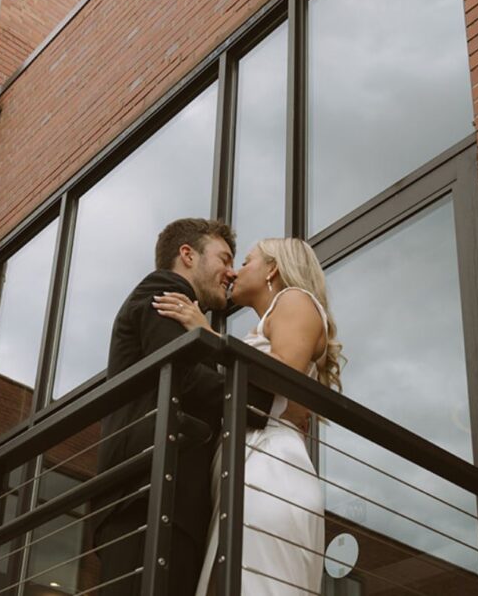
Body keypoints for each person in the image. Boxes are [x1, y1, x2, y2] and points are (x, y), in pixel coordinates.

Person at [93, 218, 274, 595]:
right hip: (148, 495)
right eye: (224, 258)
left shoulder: (189, 313)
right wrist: (254, 402)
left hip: (164, 496)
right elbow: (185, 378)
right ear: (187, 255)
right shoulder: (166, 289)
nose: (230, 272)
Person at [154, 237, 344, 595]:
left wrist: (206, 334)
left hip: (269, 468)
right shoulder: (266, 324)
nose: (235, 271)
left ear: (272, 268)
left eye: (246, 261)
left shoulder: (294, 300)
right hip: (243, 466)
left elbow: (282, 373)